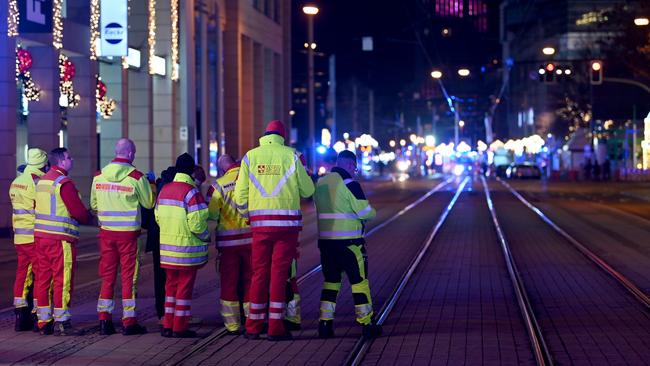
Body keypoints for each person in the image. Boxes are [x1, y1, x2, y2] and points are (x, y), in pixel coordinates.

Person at [235, 120, 314, 341]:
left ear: (265, 135)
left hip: (260, 226)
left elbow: (240, 195)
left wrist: (246, 214)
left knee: (259, 274)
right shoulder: (293, 155)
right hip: (286, 227)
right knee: (280, 275)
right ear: (283, 136)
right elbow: (308, 190)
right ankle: (276, 327)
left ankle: (253, 326)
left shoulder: (250, 157)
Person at [314, 150, 381, 339]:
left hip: (326, 244)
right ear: (351, 164)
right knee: (359, 283)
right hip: (350, 244)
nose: (355, 170)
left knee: (331, 283)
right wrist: (372, 212)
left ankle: (325, 324)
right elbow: (365, 211)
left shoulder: (321, 183)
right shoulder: (350, 183)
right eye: (355, 167)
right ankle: (367, 323)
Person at [91, 139, 154, 336]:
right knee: (129, 277)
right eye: (133, 153)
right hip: (128, 236)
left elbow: (94, 205)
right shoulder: (136, 177)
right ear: (129, 153)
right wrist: (151, 183)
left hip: (106, 234)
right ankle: (129, 321)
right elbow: (149, 203)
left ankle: (104, 320)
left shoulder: (99, 176)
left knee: (107, 276)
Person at [34, 148, 92, 335]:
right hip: (60, 239)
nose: (71, 159)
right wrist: (89, 217)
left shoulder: (42, 181)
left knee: (43, 278)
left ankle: (43, 321)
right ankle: (63, 321)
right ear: (60, 161)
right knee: (62, 280)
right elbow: (79, 212)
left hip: (41, 237)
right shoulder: (63, 183)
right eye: (69, 157)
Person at [155, 153, 210, 338]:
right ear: (191, 170)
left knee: (170, 288)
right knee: (184, 290)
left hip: (168, 251)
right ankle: (180, 327)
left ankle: (168, 325)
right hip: (186, 252)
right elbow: (197, 224)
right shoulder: (192, 192)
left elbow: (158, 217)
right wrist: (206, 237)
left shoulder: (164, 190)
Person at [208, 154, 252, 335]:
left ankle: (232, 325)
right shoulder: (250, 180)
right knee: (251, 282)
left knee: (229, 283)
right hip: (250, 240)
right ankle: (252, 319)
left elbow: (211, 216)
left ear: (221, 169)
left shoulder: (217, 186)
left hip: (228, 244)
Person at [9, 148, 48, 331]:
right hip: (34, 235)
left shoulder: (16, 182)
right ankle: (37, 313)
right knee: (41, 274)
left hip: (19, 235)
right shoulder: (37, 183)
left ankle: (20, 313)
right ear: (43, 164)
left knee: (22, 273)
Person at [142, 167, 176, 322]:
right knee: (174, 278)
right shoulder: (175, 191)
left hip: (157, 240)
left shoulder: (154, 189)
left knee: (159, 277)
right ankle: (171, 312)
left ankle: (161, 312)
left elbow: (146, 216)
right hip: (172, 240)